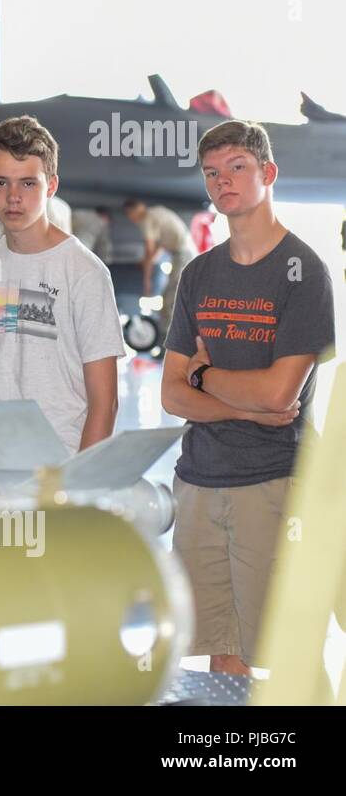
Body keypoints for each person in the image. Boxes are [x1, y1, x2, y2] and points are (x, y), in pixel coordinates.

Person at [160, 119, 334, 677]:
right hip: (199, 481)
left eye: (237, 167)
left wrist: (205, 377)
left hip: (272, 482)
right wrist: (236, 403)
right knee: (220, 651)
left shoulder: (304, 271)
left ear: (268, 173)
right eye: (212, 173)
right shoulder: (198, 275)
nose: (222, 182)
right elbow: (170, 393)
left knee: (288, 655)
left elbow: (281, 392)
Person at [0, 116, 124, 458]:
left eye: (28, 184)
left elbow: (106, 404)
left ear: (52, 186)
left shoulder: (84, 272)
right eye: (1, 183)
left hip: (62, 464)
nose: (13, 197)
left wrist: (76, 487)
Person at [124, 198, 197, 339]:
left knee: (170, 299)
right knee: (177, 297)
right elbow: (159, 246)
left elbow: (149, 250)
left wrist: (146, 281)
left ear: (131, 213)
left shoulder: (146, 220)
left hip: (182, 256)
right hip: (187, 252)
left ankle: (170, 339)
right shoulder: (158, 211)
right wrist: (147, 262)